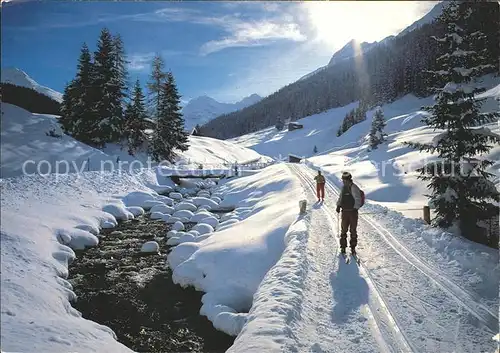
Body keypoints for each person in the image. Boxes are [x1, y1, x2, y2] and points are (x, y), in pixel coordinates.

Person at [336, 171, 361, 255]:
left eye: (344, 179)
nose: (343, 181)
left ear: (348, 179)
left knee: (353, 230)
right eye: (343, 179)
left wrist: (355, 208)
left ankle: (353, 247)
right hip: (345, 212)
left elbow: (358, 199)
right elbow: (341, 197)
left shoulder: (353, 187)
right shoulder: (344, 187)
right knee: (344, 230)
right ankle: (343, 247)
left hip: (352, 213)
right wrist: (338, 205)